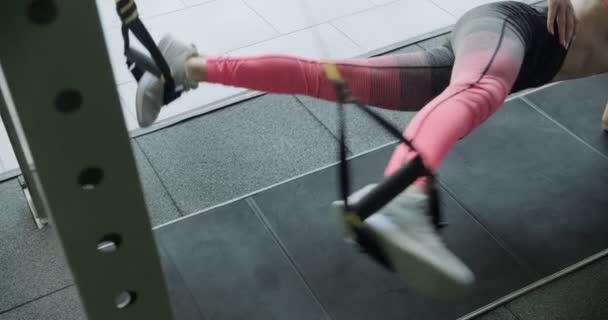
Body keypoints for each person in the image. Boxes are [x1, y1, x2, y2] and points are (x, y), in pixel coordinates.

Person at [135, 0, 607, 295]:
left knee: (347, 77)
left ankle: (187, 64)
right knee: (480, 92)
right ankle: (402, 197)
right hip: (511, 29)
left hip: (503, 59)